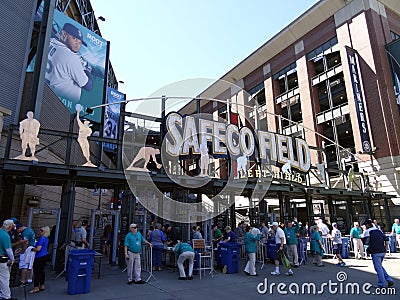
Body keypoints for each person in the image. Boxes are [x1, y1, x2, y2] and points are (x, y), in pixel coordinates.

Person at [45, 23, 92, 102]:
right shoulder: (71, 57)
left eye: (80, 42)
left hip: (45, 91)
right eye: (74, 38)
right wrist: (87, 70)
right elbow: (87, 85)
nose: (77, 44)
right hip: (62, 103)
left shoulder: (50, 41)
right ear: (64, 33)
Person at [362, 219, 394, 288]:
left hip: (375, 251)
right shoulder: (379, 230)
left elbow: (366, 242)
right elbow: (386, 239)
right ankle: (389, 279)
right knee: (380, 267)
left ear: (367, 225)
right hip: (382, 250)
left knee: (378, 268)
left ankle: (382, 284)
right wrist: (386, 248)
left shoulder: (368, 232)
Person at [29, 226, 50, 294]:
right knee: (42, 271)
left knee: (37, 272)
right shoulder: (46, 239)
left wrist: (31, 249)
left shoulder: (41, 239)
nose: (40, 232)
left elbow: (38, 249)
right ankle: (42, 285)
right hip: (45, 255)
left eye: (41, 231)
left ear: (44, 232)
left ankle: (36, 287)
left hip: (39, 256)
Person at [0, 219, 17, 300]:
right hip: (1, 258)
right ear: (10, 226)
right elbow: (8, 250)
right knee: (4, 278)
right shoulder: (5, 236)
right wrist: (12, 259)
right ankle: (6, 296)